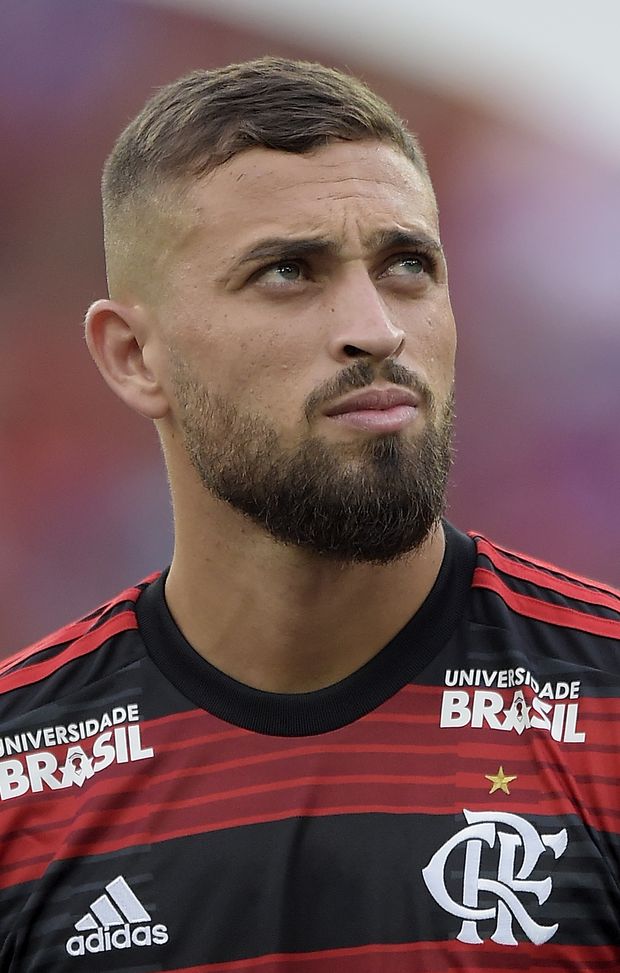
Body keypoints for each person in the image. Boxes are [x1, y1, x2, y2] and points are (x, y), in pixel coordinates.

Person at [0, 57, 618, 973]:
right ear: (134, 355)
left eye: (408, 264)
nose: (377, 326)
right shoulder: (19, 778)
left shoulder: (605, 711)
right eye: (289, 270)